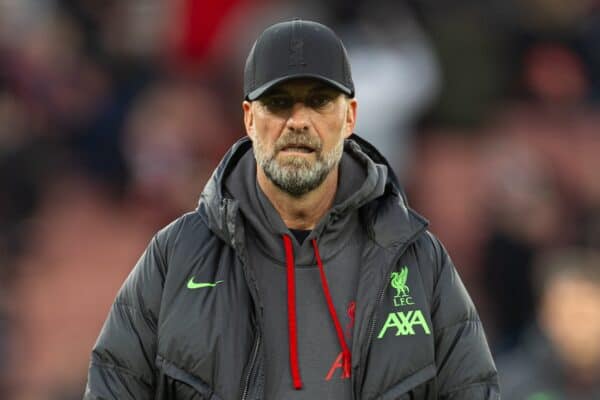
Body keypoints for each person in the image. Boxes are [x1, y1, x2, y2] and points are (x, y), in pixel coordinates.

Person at [84, 19, 499, 399]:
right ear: (248, 118)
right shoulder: (174, 257)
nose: (298, 121)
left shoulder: (417, 258)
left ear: (350, 116)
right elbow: (112, 384)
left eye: (319, 101)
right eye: (279, 102)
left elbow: (473, 388)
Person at [498, 249, 600, 399]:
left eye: (586, 314)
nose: (579, 328)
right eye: (569, 314)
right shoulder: (507, 383)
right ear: (545, 317)